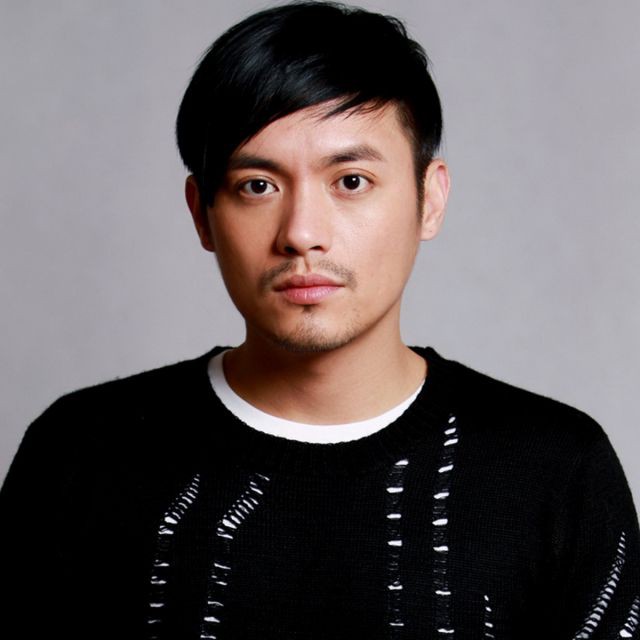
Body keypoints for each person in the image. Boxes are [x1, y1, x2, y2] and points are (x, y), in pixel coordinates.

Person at [1, 2, 639, 638]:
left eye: (351, 181)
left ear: (430, 199)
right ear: (201, 214)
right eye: (257, 185)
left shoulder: (557, 470)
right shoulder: (78, 452)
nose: (302, 233)